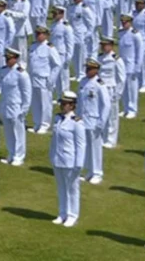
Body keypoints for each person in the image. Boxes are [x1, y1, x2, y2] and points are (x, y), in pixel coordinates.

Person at [50, 91, 86, 228]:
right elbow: (54, 140)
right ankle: (62, 213)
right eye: (62, 103)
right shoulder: (58, 118)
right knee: (61, 188)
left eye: (65, 104)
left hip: (70, 160)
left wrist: (79, 163)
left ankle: (72, 215)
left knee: (72, 189)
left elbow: (81, 144)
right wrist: (52, 155)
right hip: (58, 158)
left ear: (72, 106)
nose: (62, 106)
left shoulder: (77, 123)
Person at [77, 58, 109, 184]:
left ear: (96, 70)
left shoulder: (99, 84)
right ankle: (89, 171)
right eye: (87, 68)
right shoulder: (83, 82)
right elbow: (80, 103)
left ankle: (97, 173)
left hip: (94, 120)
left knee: (95, 147)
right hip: (83, 119)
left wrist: (101, 122)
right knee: (85, 147)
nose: (87, 70)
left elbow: (106, 105)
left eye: (90, 69)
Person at [0, 47, 30, 166]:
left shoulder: (21, 74)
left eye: (9, 58)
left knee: (18, 132)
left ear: (16, 59)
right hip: (6, 104)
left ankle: (19, 155)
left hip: (17, 106)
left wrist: (24, 108)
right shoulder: (4, 71)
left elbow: (26, 92)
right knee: (8, 131)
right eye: (6, 58)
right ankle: (11, 154)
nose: (7, 60)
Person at [28, 26, 63, 134]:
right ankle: (37, 123)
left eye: (40, 34)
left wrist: (51, 79)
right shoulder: (33, 46)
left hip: (44, 78)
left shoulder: (50, 48)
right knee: (35, 102)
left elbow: (57, 64)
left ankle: (45, 124)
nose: (38, 35)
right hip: (34, 77)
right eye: (37, 33)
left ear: (46, 35)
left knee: (45, 102)